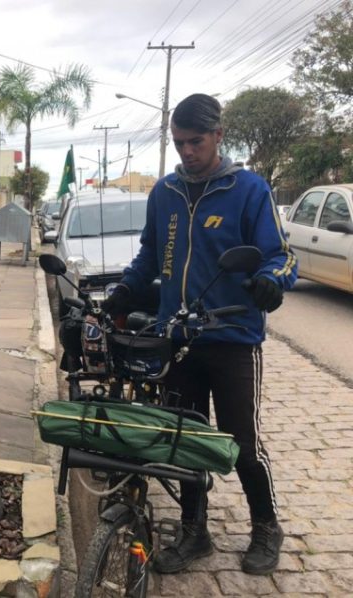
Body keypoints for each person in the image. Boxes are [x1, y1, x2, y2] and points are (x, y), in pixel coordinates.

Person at [102, 94, 296, 576]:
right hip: (178, 339)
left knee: (242, 443)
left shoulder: (248, 189)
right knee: (181, 438)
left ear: (218, 136)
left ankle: (267, 526)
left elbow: (280, 254)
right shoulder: (164, 193)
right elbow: (151, 257)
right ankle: (195, 532)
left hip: (233, 338)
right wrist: (126, 289)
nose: (187, 151)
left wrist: (273, 281)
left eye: (196, 141)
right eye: (179, 143)